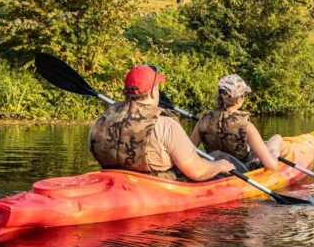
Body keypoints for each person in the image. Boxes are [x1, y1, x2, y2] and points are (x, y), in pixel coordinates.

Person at [89, 64, 235, 181]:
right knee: (219, 158)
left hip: (113, 182)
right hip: (159, 190)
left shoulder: (101, 120)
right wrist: (219, 165)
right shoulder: (165, 124)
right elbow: (197, 172)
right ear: (153, 91)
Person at [191, 74, 284, 171]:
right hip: (241, 170)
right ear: (239, 99)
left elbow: (189, 153)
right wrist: (273, 157)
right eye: (244, 95)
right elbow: (272, 166)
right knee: (277, 138)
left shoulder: (202, 121)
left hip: (214, 167)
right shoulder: (246, 126)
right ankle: (271, 152)